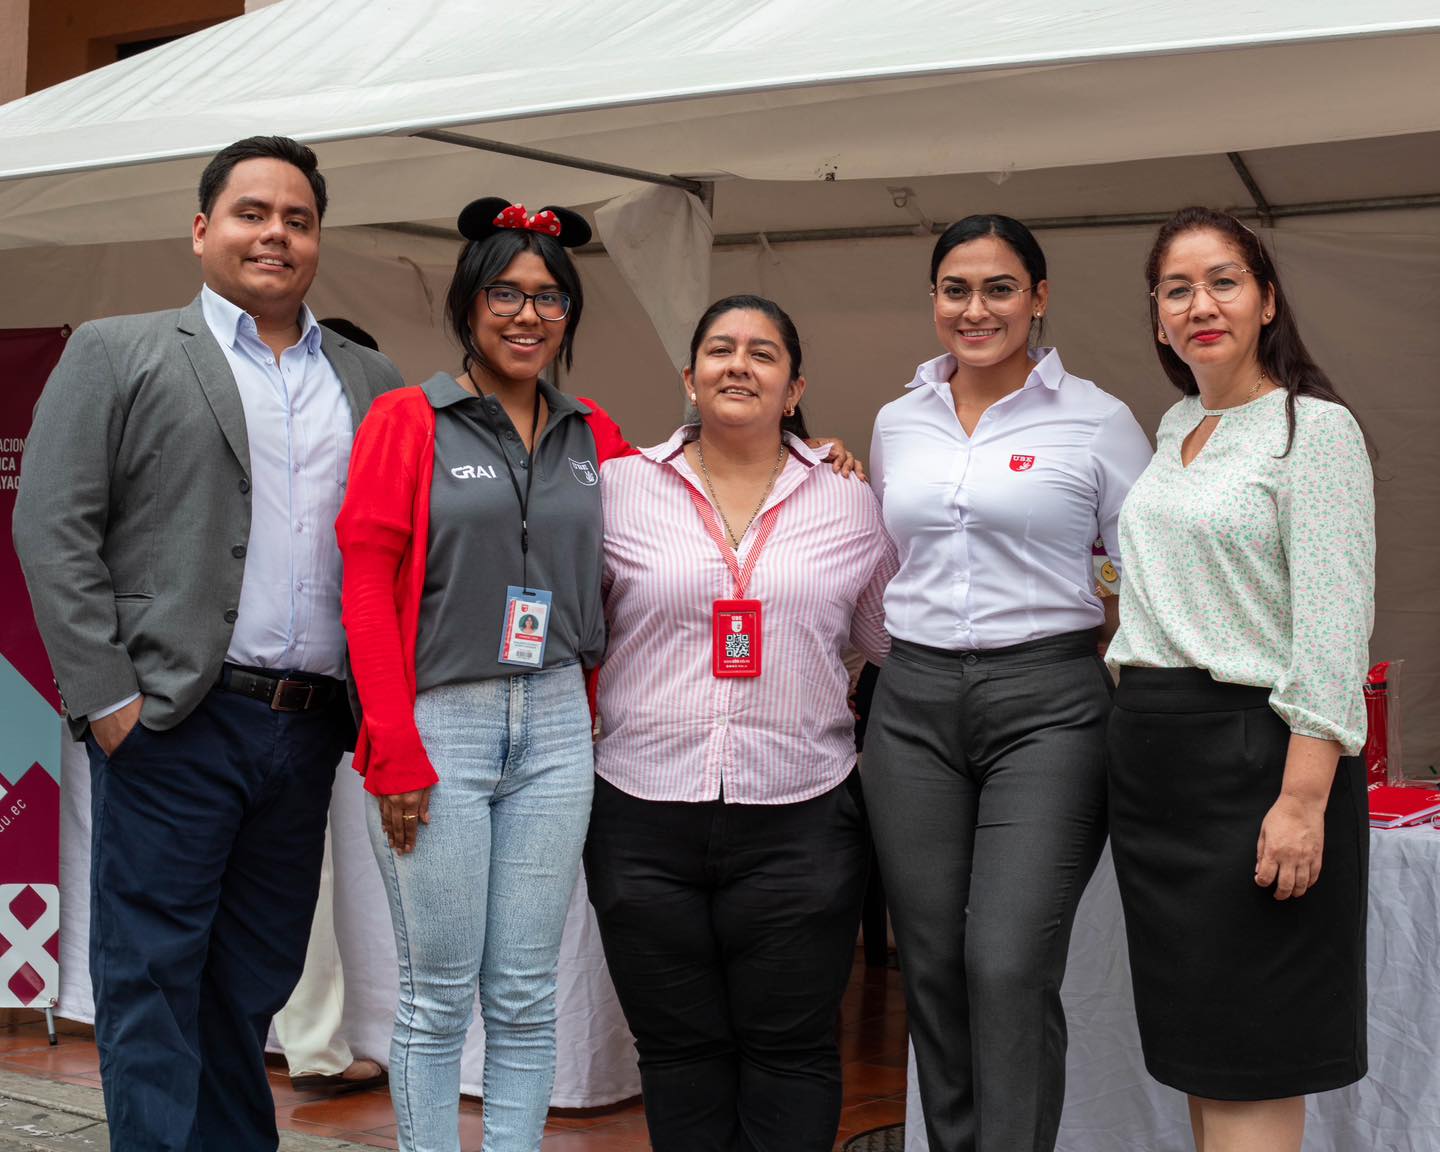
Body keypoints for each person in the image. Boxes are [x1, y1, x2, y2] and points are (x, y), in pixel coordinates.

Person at [12, 136, 403, 1151]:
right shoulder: (119, 351)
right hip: (174, 720)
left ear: (318, 239)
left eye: (298, 219)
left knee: (251, 983)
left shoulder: (371, 381)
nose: (275, 233)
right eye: (251, 213)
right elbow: (52, 527)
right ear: (201, 231)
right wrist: (110, 703)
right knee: (152, 978)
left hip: (308, 731)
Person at [336, 197, 632, 1152]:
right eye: (504, 292)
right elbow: (366, 588)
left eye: (548, 297)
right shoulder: (406, 420)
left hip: (556, 723)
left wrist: (813, 448)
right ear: (468, 305)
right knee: (437, 993)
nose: (526, 314)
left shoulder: (599, 436)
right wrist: (392, 745)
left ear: (570, 314)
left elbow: (696, 497)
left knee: (525, 991)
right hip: (440, 720)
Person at [861, 214, 1152, 1152]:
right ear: (934, 299)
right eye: (956, 289)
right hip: (910, 707)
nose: (975, 309)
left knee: (1005, 963)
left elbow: (1150, 572)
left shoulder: (1098, 418)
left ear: (1038, 297)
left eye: (998, 288)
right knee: (935, 965)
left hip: (1050, 705)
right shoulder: (898, 420)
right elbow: (880, 555)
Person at [583, 295, 899, 1152]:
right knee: (678, 1050)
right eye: (719, 350)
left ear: (794, 388)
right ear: (689, 378)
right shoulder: (617, 489)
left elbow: (882, 637)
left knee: (792, 1050)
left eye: (763, 354)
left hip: (801, 813)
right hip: (642, 808)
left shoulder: (851, 501)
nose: (739, 365)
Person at [1105, 206, 1373, 1152]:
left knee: (1257, 1058)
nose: (1199, 304)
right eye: (1177, 288)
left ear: (1265, 300)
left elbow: (1334, 633)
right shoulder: (1180, 423)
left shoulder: (1314, 429)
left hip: (1257, 764)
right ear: (1157, 315)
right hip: (1156, 768)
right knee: (1203, 1054)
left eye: (1223, 281)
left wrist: (1303, 801)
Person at [271, 316, 389, 1099]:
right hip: (314, 680)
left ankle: (303, 1042)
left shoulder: (370, 429)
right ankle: (308, 1044)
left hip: (333, 684)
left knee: (290, 875)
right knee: (293, 877)